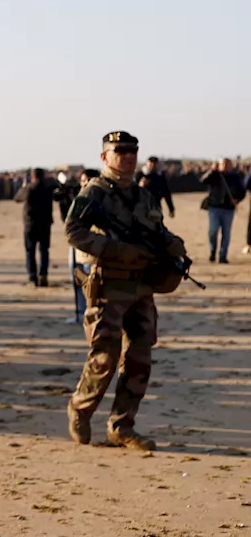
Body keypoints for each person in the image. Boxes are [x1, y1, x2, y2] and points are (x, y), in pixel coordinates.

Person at [65, 131, 186, 451]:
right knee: (104, 356)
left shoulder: (143, 194)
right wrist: (115, 249)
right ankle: (81, 407)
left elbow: (155, 230)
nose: (128, 156)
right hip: (109, 285)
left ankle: (122, 425)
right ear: (105, 156)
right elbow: (73, 230)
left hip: (142, 287)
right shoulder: (94, 193)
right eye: (120, 150)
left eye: (133, 150)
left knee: (139, 359)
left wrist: (171, 243)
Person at [66, 169, 99, 324]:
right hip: (76, 245)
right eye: (83, 181)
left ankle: (92, 313)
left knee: (91, 282)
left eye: (88, 180)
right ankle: (80, 312)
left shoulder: (100, 199)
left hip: (92, 247)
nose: (85, 184)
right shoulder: (78, 198)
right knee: (77, 278)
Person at [14, 168, 57, 287]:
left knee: (30, 250)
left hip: (30, 223)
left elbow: (17, 198)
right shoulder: (48, 188)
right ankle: (43, 274)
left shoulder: (29, 188)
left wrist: (23, 186)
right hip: (45, 223)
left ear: (32, 177)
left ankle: (32, 275)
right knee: (44, 250)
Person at [200, 158, 244, 263]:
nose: (225, 166)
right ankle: (212, 251)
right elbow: (203, 180)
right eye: (223, 164)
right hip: (215, 207)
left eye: (227, 164)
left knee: (226, 233)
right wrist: (212, 170)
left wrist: (237, 200)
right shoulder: (215, 175)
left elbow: (242, 192)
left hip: (228, 209)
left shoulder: (235, 177)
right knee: (213, 231)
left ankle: (223, 256)